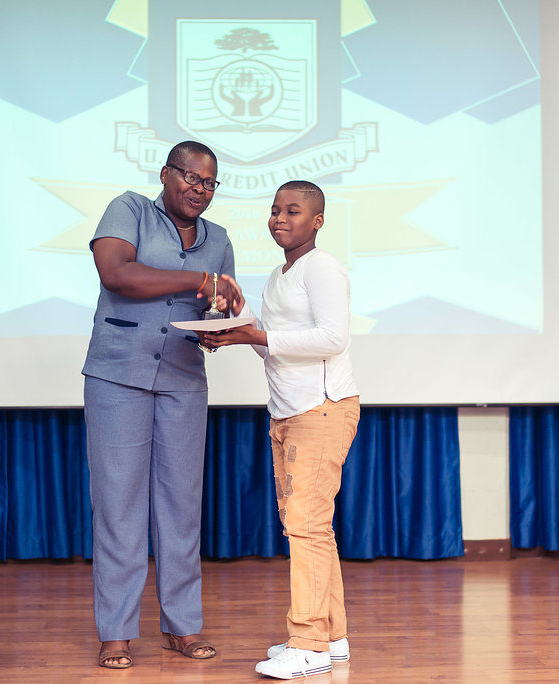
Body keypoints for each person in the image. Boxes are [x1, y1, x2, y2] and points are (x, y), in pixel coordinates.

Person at [82, 140, 243, 669]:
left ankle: (182, 625)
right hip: (118, 376)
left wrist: (219, 326)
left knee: (181, 507)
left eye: (209, 182)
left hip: (183, 379)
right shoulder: (129, 209)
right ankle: (116, 632)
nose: (200, 189)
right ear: (166, 174)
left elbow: (217, 305)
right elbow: (116, 273)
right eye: (191, 177)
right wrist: (199, 280)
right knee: (118, 506)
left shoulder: (219, 239)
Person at [201, 180, 359, 679]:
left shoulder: (322, 266)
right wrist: (236, 324)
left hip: (322, 407)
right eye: (274, 210)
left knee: (306, 527)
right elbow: (271, 345)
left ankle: (308, 643)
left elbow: (332, 338)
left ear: (317, 221)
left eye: (293, 211)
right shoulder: (277, 276)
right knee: (314, 528)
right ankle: (331, 637)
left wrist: (255, 333)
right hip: (288, 410)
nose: (279, 219)